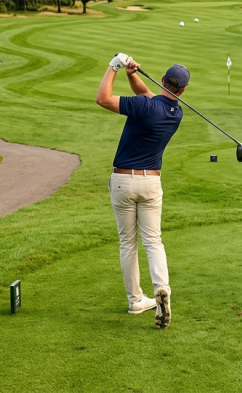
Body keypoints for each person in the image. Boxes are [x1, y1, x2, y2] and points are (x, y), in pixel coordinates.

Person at [96, 53, 189, 329]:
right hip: (151, 183)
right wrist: (131, 75)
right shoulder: (175, 113)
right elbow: (149, 96)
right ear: (182, 91)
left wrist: (114, 66)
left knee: (128, 242)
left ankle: (136, 300)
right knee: (153, 242)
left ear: (162, 79)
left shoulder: (143, 106)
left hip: (123, 181)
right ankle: (162, 288)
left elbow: (103, 98)